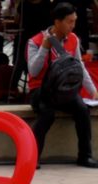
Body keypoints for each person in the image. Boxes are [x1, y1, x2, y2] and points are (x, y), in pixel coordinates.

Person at [28, 3, 98, 166]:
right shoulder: (35, 41)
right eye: (69, 21)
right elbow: (33, 71)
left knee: (82, 109)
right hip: (40, 89)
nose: (73, 25)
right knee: (47, 113)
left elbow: (79, 66)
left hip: (63, 90)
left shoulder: (73, 39)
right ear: (57, 22)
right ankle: (32, 157)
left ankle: (85, 156)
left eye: (74, 21)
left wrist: (93, 90)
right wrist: (44, 48)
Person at [12, 0, 54, 98]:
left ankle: (13, 87)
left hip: (26, 37)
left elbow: (16, 20)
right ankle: (42, 85)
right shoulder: (47, 4)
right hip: (41, 38)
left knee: (19, 63)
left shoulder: (23, 4)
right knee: (44, 61)